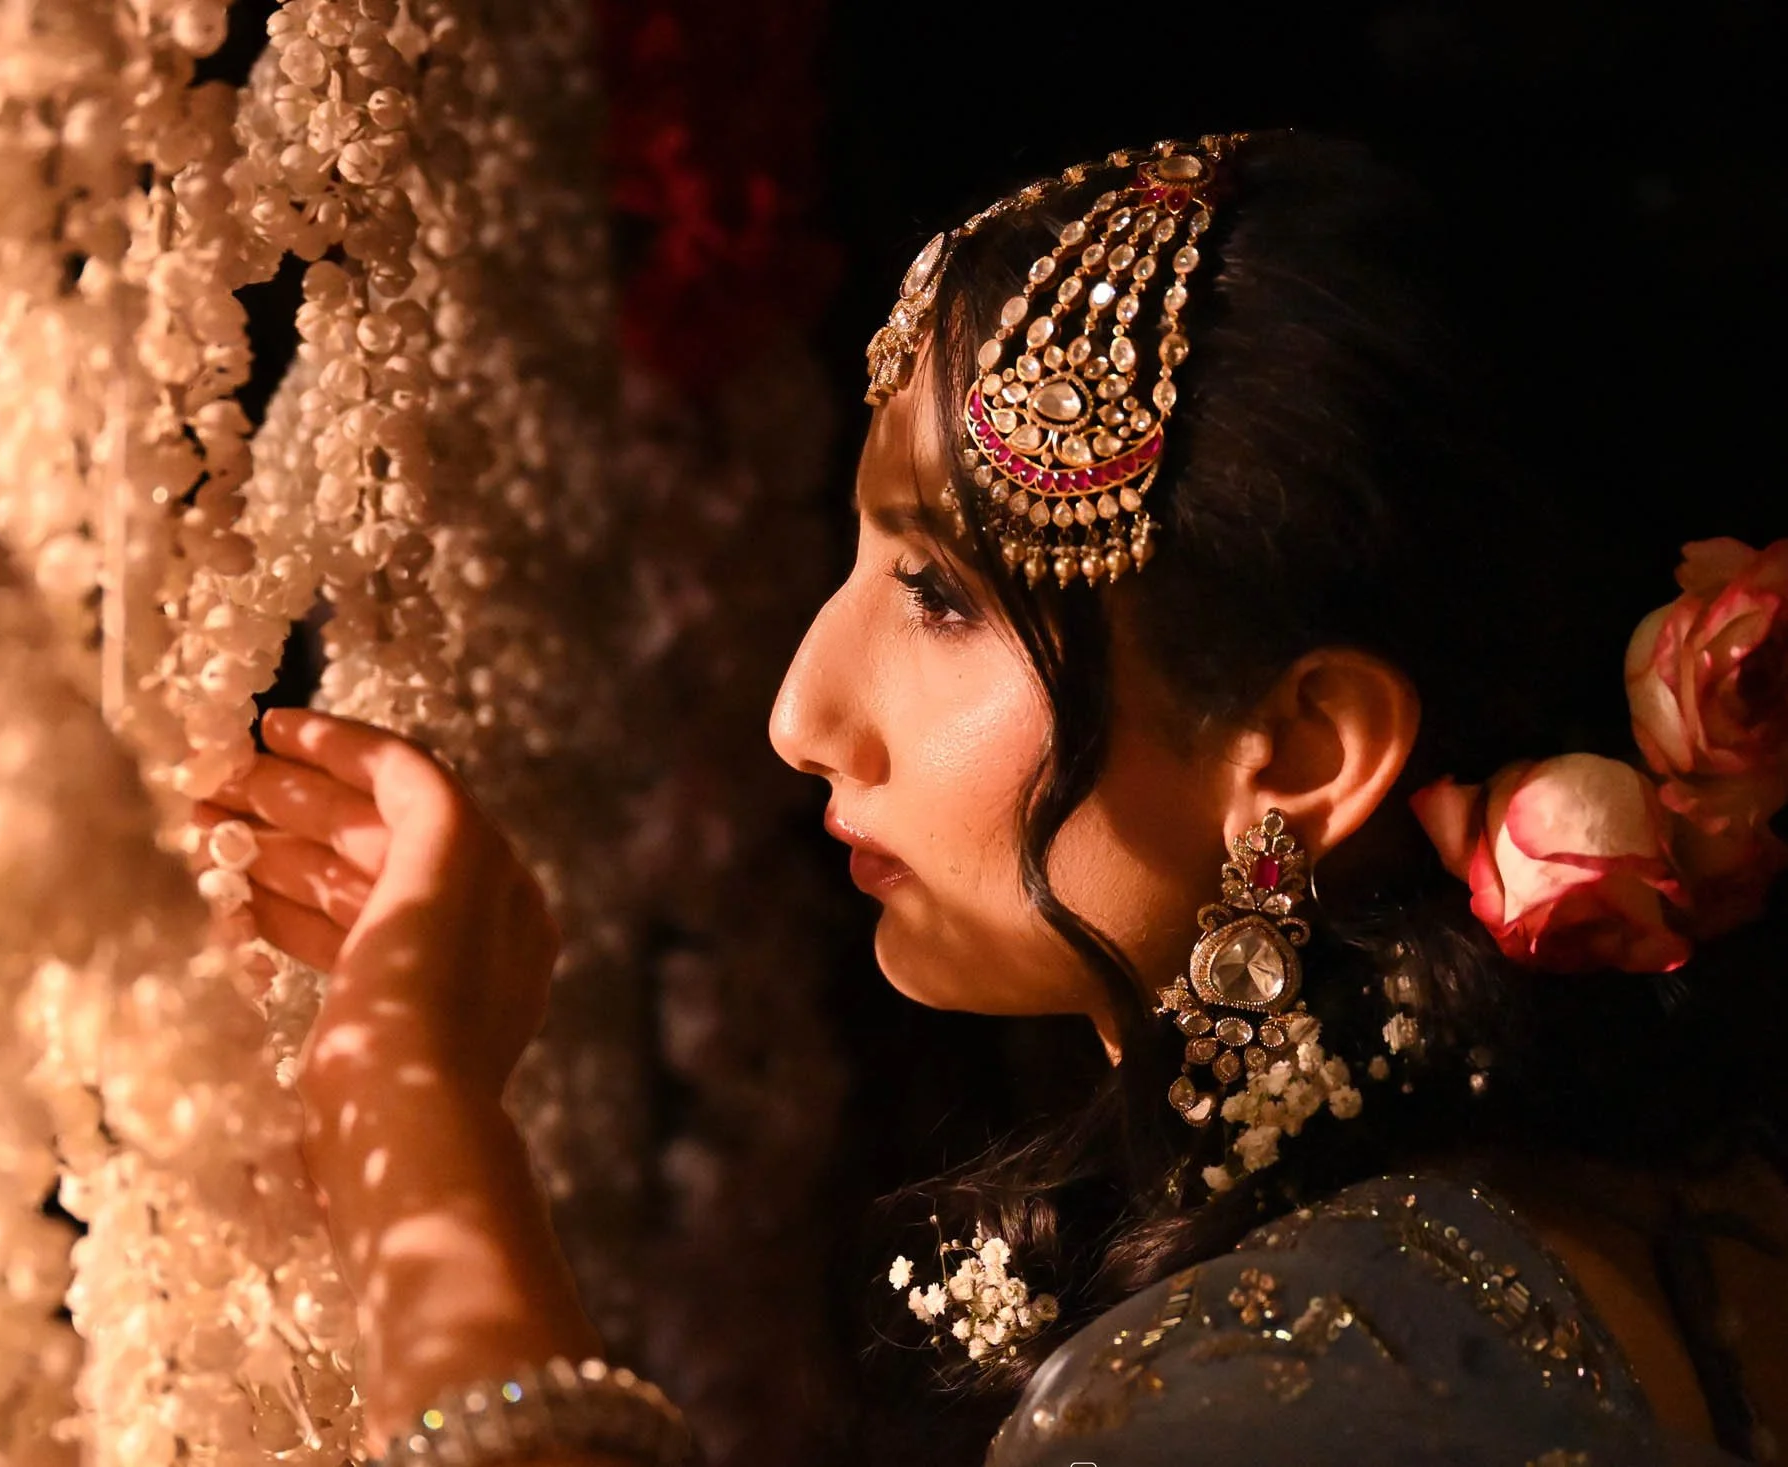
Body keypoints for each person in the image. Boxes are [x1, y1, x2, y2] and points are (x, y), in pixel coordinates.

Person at [198, 131, 1788, 1465]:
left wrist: (406, 1108)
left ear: (1301, 751)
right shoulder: (1646, 1223)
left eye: (943, 595)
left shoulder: (1300, 1374)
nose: (801, 714)